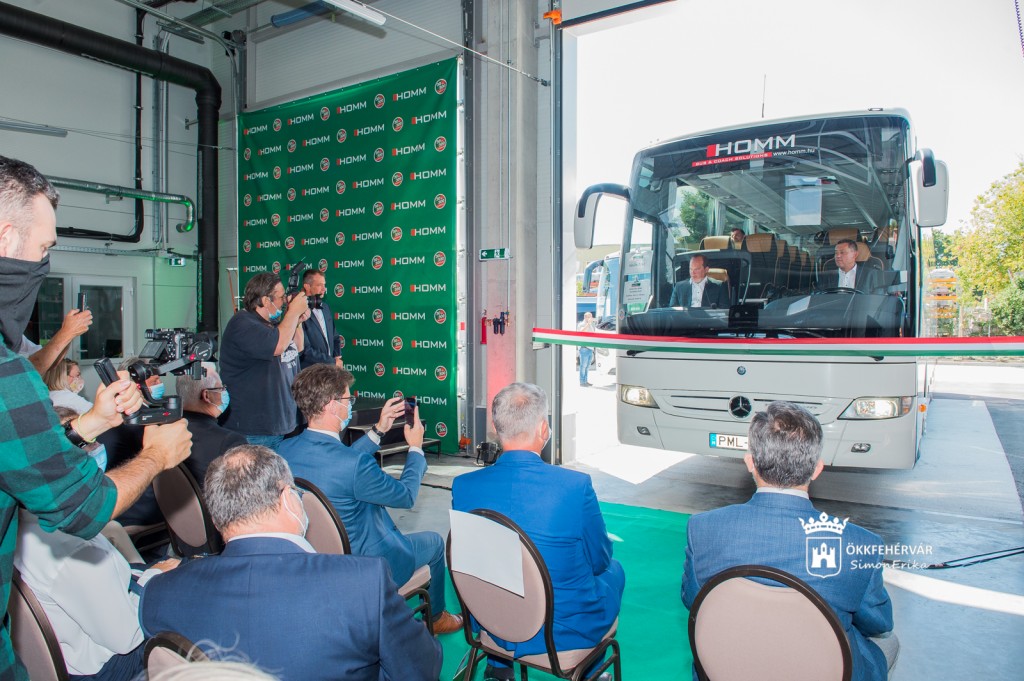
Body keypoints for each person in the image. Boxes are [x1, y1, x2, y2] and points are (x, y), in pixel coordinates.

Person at [0, 154, 193, 679]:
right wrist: (155, 457)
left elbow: (16, 455)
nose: (44, 264)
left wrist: (92, 423)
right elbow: (82, 510)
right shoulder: (7, 373)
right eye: (44, 249)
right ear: (6, 239)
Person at [139, 444, 443, 681]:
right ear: (287, 499)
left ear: (217, 518)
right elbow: (422, 667)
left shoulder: (159, 593)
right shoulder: (363, 584)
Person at [681, 401, 898, 681]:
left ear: (750, 463)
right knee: (888, 642)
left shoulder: (702, 528)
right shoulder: (859, 545)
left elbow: (693, 600)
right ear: (817, 469)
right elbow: (878, 623)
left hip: (730, 667)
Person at [451, 383, 624, 680]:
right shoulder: (574, 487)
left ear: (497, 428)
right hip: (559, 634)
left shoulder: (463, 486)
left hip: (492, 620)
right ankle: (590, 672)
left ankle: (499, 666)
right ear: (544, 429)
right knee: (615, 572)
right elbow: (599, 561)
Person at [278, 364, 464, 634]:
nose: (350, 405)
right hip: (368, 565)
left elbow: (341, 461)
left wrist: (378, 430)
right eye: (348, 399)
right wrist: (415, 449)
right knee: (435, 543)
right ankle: (435, 618)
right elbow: (405, 496)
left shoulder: (284, 451)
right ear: (332, 405)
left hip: (317, 560)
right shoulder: (353, 465)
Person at [14, 508, 180, 680]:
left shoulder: (15, 529)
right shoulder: (72, 549)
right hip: (111, 666)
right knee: (191, 596)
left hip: (63, 659)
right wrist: (153, 577)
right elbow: (127, 637)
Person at [219, 272, 309, 450]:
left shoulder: (273, 323)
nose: (284, 302)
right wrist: (293, 312)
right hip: (255, 429)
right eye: (281, 297)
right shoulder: (243, 324)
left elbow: (298, 347)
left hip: (283, 423)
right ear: (266, 300)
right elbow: (278, 346)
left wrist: (297, 320)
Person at [175, 362, 247, 485]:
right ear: (207, 395)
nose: (224, 392)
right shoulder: (229, 442)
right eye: (221, 388)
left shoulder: (163, 431)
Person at [21, 304, 93, 375]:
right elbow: (34, 367)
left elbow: (50, 362)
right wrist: (67, 332)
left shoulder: (19, 338)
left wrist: (70, 332)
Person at [298, 269, 343, 370]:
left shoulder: (325, 307)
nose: (324, 289)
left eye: (324, 285)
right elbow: (305, 351)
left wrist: (337, 357)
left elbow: (335, 336)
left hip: (330, 369)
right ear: (307, 286)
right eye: (319, 285)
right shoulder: (298, 311)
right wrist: (332, 362)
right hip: (309, 372)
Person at [577, 311, 596, 387]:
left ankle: (585, 381)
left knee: (587, 367)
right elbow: (581, 332)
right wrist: (588, 324)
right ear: (585, 317)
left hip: (590, 348)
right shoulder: (581, 324)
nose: (589, 318)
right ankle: (582, 382)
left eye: (590, 317)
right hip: (584, 348)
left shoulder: (591, 325)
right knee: (583, 366)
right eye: (588, 317)